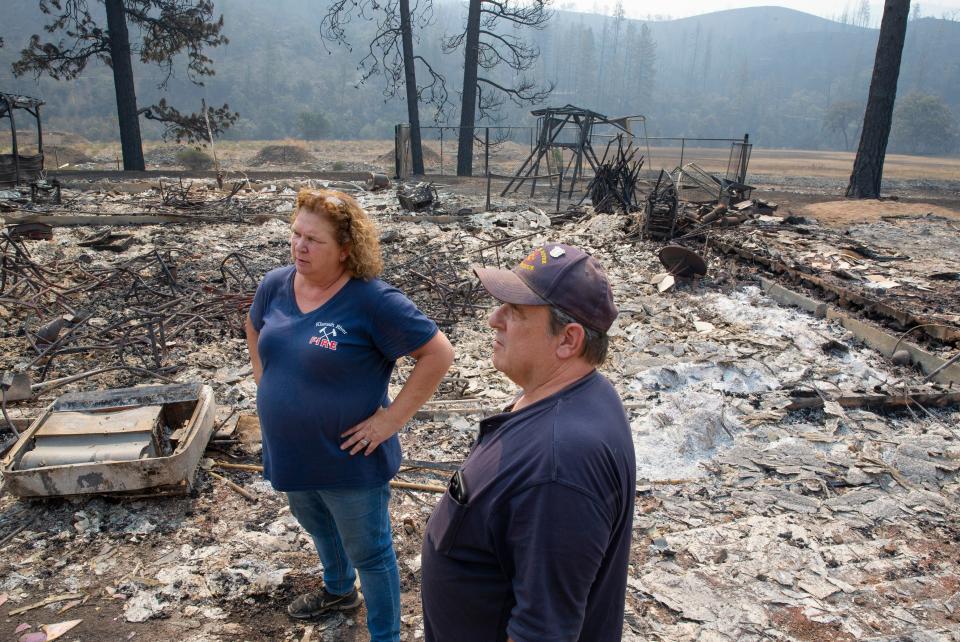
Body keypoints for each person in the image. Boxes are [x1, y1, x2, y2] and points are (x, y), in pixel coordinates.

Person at [245, 188, 454, 642]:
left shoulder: (373, 302)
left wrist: (390, 420)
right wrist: (266, 383)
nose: (299, 246)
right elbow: (254, 325)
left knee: (372, 553)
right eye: (296, 235)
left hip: (348, 458)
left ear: (345, 249)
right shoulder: (275, 285)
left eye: (313, 240)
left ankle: (385, 636)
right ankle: (339, 591)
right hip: (292, 452)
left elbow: (437, 354)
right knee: (316, 523)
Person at [420, 243, 635, 642]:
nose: (492, 319)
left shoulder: (561, 465)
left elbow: (542, 631)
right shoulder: (571, 396)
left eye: (514, 311)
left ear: (568, 340)